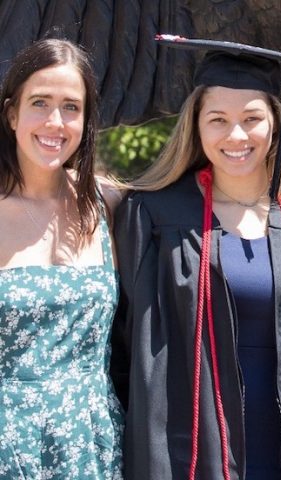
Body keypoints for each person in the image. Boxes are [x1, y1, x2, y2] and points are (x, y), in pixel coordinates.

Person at [111, 37, 281, 480]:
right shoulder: (155, 216)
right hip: (190, 450)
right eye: (217, 119)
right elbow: (125, 346)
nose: (236, 135)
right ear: (195, 126)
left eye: (252, 118)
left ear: (276, 123)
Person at [0, 38, 124, 478]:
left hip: (91, 442)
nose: (56, 122)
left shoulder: (106, 203)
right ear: (12, 113)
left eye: (71, 107)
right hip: (8, 444)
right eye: (40, 103)